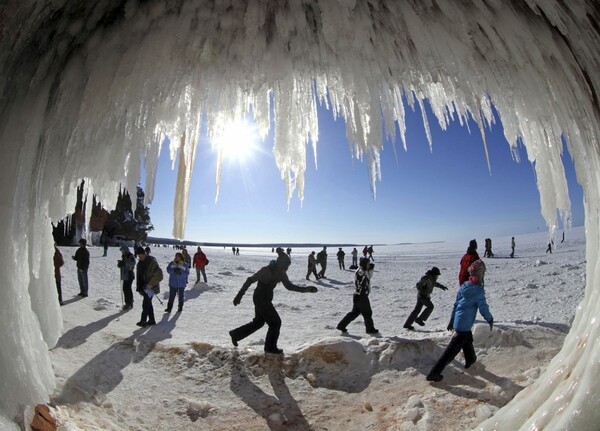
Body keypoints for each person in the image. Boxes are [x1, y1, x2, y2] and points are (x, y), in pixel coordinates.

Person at [229, 249, 318, 354]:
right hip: (260, 298)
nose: (287, 268)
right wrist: (240, 294)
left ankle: (235, 334)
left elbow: (289, 286)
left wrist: (305, 289)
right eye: (286, 266)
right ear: (280, 264)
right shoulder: (266, 270)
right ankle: (270, 348)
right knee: (275, 323)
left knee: (259, 322)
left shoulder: (282, 273)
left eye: (288, 266)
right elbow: (250, 280)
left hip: (266, 298)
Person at [426, 259, 493, 382]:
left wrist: (452, 319)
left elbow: (456, 305)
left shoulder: (464, 286)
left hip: (459, 321)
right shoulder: (478, 291)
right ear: (480, 275)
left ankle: (470, 359)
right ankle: (434, 373)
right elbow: (483, 308)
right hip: (464, 324)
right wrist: (490, 319)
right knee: (451, 351)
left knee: (467, 340)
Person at [336, 258, 379, 334]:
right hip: (361, 296)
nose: (369, 265)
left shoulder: (363, 271)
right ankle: (370, 329)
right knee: (367, 313)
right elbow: (362, 279)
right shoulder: (360, 272)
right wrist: (363, 293)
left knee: (355, 312)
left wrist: (370, 269)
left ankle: (341, 325)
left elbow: (368, 277)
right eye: (368, 264)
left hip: (358, 295)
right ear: (364, 264)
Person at [135, 246, 163, 327]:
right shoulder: (139, 264)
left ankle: (143, 321)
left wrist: (151, 284)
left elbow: (159, 275)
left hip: (152, 287)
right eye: (138, 256)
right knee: (148, 303)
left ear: (144, 253)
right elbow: (139, 276)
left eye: (141, 255)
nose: (140, 257)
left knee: (145, 303)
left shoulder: (152, 262)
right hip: (144, 287)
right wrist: (139, 287)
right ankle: (151, 320)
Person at [117, 245, 136, 311]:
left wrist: (124, 263)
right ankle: (129, 302)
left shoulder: (130, 256)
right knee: (126, 289)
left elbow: (133, 263)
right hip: (126, 275)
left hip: (129, 275)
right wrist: (120, 264)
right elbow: (124, 264)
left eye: (122, 251)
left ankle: (129, 303)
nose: (122, 252)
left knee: (127, 289)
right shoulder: (124, 256)